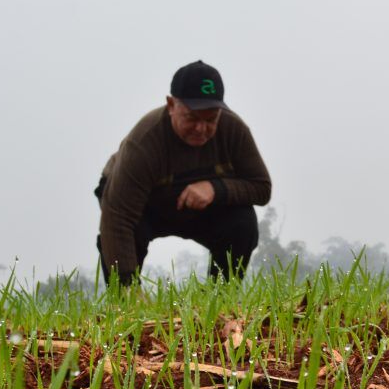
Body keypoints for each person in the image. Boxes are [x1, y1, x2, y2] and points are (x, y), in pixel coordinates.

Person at [94, 60, 272, 285]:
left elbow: (261, 187)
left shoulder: (234, 130)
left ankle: (221, 298)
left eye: (211, 119)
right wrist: (127, 287)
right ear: (171, 105)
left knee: (242, 223)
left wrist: (215, 189)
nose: (201, 128)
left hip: (199, 205)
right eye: (192, 118)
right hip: (143, 204)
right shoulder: (144, 141)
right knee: (127, 231)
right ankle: (126, 301)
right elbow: (117, 216)